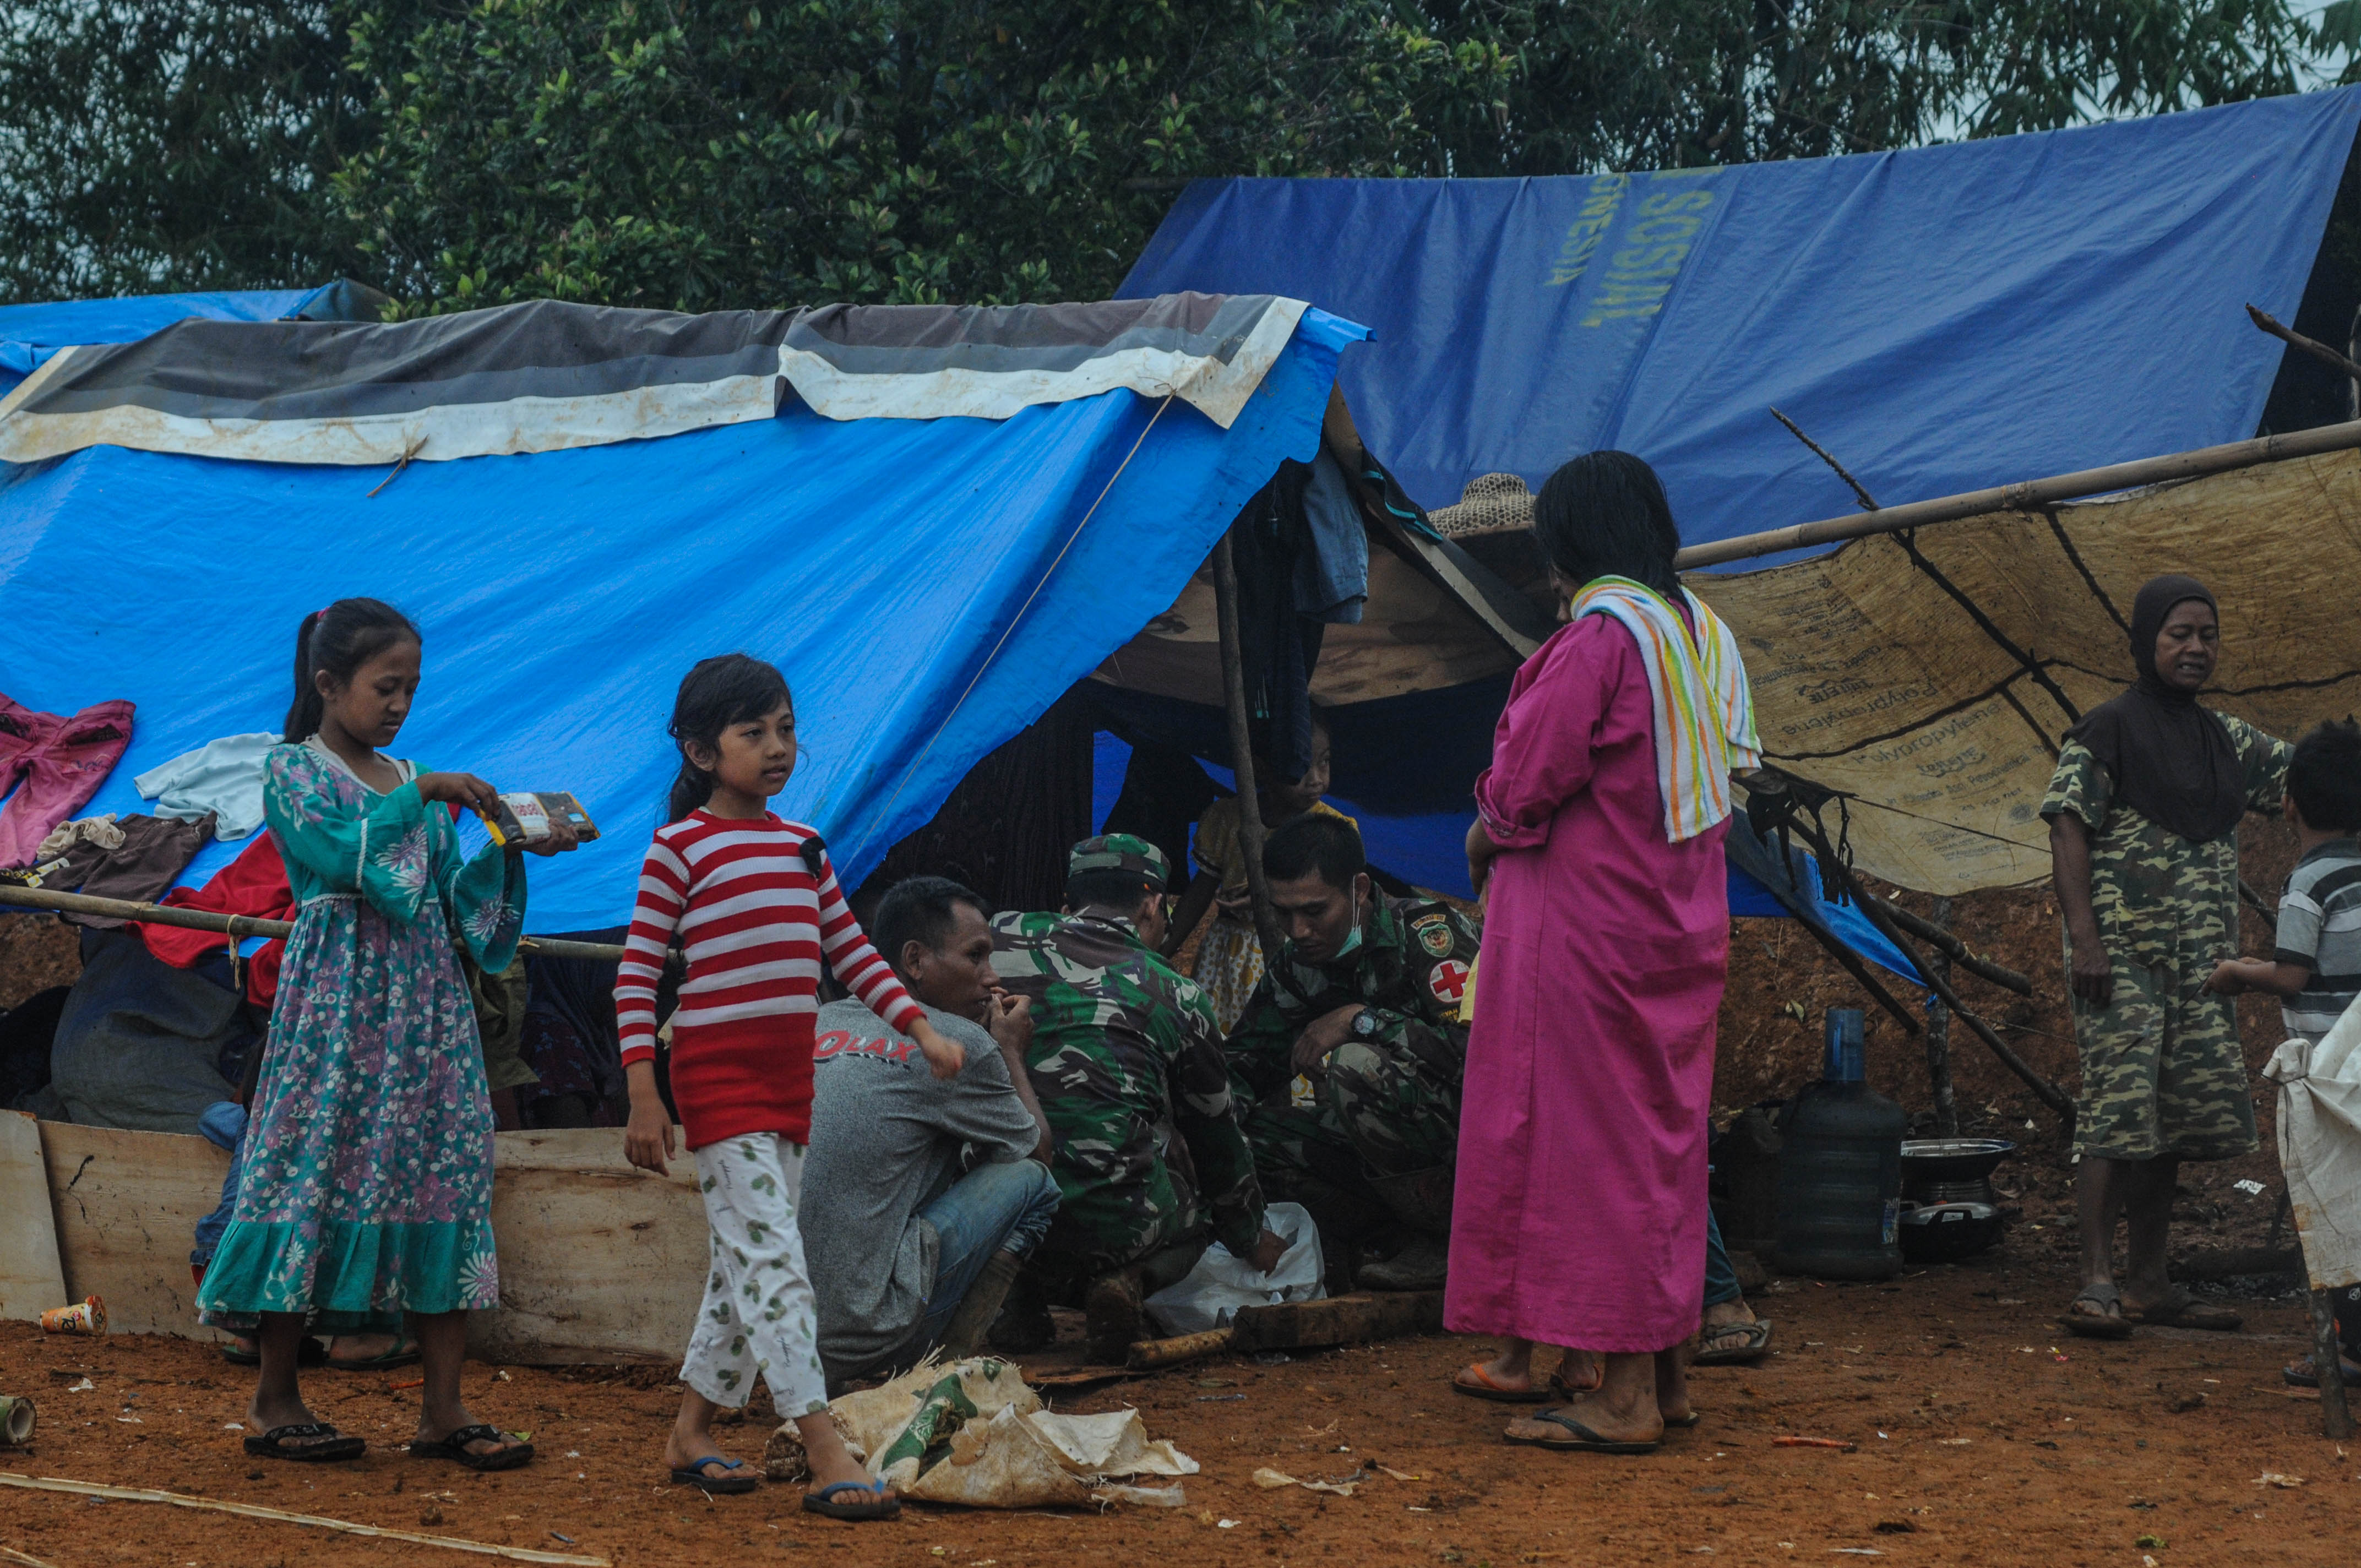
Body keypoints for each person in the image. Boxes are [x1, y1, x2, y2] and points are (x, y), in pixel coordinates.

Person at [196, 598, 576, 1468]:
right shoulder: (294, 770)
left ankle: (443, 1412)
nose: (401, 704)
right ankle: (275, 1395)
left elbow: (448, 898)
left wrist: (509, 846)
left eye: (411, 687)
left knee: (443, 1178)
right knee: (311, 1176)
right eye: (385, 686)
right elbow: (341, 858)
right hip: (338, 1013)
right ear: (329, 685)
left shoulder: (408, 777)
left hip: (425, 1016)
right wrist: (428, 792)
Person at [1447, 450, 1760, 1455]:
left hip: (1587, 934)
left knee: (1591, 1152)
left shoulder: (1595, 639)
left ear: (1566, 541)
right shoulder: (1696, 632)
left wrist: (1484, 829)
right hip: (1675, 924)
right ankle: (1662, 1380)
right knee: (1658, 1146)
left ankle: (1619, 1398)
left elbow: (1527, 778)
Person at [615, 654, 960, 1520]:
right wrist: (643, 1093)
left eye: (787, 729)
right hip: (715, 1076)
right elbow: (636, 978)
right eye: (754, 732)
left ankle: (692, 1431)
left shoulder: (803, 847)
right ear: (699, 751)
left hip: (786, 1076)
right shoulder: (677, 849)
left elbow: (852, 955)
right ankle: (822, 1444)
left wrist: (918, 1029)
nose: (779, 748)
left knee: (744, 1262)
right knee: (775, 1257)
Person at [2047, 575, 2289, 1338]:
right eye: (2180, 633)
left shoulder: (2230, 742)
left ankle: (2151, 1282)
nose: (2195, 648)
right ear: (2149, 640)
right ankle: (2096, 1281)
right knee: (2116, 1118)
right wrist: (2087, 938)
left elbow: (2315, 777)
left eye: (2207, 636)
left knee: (2173, 1123)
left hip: (2201, 966)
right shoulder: (2108, 728)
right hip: (2121, 960)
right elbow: (2066, 828)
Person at [991, 834, 1285, 1363]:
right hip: (1110, 1221)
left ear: (1068, 904)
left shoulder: (1000, 937)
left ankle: (1017, 1298)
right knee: (1195, 1192)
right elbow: (1218, 1138)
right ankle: (1127, 1278)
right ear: (1152, 905)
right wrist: (1247, 1235)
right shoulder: (1178, 994)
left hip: (997, 1209)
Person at [805, 875, 1062, 1389]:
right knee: (1035, 1183)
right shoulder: (960, 1041)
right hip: (864, 1332)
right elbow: (1036, 1149)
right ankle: (940, 1373)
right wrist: (1009, 1051)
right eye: (976, 957)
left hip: (778, 1341)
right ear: (915, 960)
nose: (992, 978)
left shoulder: (822, 1020)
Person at [1225, 812, 1478, 1292]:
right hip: (1397, 1163)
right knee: (1246, 1136)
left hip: (1480, 1146)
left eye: (1314, 912)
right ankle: (1390, 1238)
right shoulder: (1296, 968)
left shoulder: (1426, 935)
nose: (1297, 931)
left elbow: (1484, 1057)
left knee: (1355, 1067)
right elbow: (1242, 1068)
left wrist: (1361, 1021)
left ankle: (1459, 1238)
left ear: (1359, 889)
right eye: (1283, 913)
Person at [2205, 717, 2361, 1385]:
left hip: (2329, 1074)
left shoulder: (2309, 882)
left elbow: (2292, 974)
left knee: (2335, 1205)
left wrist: (2239, 970)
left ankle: (2348, 1352)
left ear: (2288, 802)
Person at [1164, 716, 1357, 1032]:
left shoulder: (1335, 832)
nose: (1317, 779)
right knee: (1223, 1047)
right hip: (1226, 961)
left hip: (1299, 953)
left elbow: (1344, 906)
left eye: (1325, 762)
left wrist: (1265, 902)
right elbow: (1199, 893)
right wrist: (1163, 951)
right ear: (1261, 767)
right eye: (1302, 765)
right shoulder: (1228, 818)